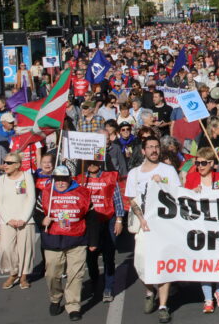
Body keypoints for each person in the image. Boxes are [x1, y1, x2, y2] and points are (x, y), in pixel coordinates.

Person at [125, 136, 181, 323]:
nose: (154, 150)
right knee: (140, 264)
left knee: (164, 264)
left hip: (164, 225)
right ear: (143, 151)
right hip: (144, 225)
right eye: (150, 147)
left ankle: (163, 306)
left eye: (156, 147)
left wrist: (161, 183)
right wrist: (141, 218)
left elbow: (177, 195)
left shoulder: (168, 170)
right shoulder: (135, 173)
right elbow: (132, 199)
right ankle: (150, 291)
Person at [41, 165, 98, 321]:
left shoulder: (82, 193)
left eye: (63, 179)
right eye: (57, 179)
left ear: (69, 179)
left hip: (77, 239)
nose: (60, 183)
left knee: (75, 274)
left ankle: (73, 306)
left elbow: (92, 217)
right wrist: (41, 219)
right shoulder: (47, 192)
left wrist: (93, 240)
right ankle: (55, 297)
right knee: (52, 273)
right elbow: (37, 212)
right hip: (53, 240)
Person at [183, 147, 219, 314]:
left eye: (203, 163)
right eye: (197, 163)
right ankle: (208, 298)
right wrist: (190, 192)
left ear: (211, 163)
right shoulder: (192, 177)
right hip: (199, 228)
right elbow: (183, 199)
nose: (200, 166)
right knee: (204, 263)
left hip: (218, 227)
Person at [75, 157, 124, 303]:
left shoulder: (109, 177)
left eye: (95, 162)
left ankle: (108, 287)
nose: (92, 165)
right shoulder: (80, 179)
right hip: (90, 222)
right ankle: (94, 278)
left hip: (108, 219)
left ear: (100, 162)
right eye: (88, 162)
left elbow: (118, 200)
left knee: (109, 254)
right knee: (91, 255)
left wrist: (119, 220)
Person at [0, 151, 35, 290]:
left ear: (18, 165)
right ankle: (13, 272)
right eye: (5, 162)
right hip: (7, 221)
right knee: (6, 248)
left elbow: (31, 198)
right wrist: (8, 219)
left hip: (25, 220)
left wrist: (23, 218)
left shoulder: (27, 176)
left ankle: (23, 275)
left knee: (25, 248)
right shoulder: (1, 179)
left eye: (9, 163)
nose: (5, 165)